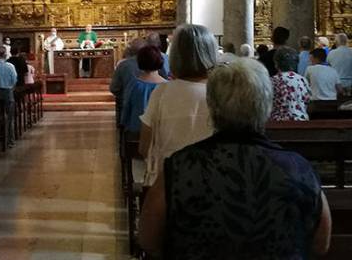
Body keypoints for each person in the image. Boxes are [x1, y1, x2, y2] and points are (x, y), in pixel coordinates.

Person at [139, 59, 331, 259]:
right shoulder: (297, 167)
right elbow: (321, 244)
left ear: (212, 105)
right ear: (267, 105)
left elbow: (148, 240)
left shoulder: (181, 166)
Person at [139, 24, 218, 187]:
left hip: (169, 181)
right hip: (213, 181)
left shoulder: (161, 93)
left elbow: (144, 146)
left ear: (175, 55)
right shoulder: (220, 93)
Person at [120, 45, 167, 133]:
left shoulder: (134, 84)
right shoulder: (167, 86)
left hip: (137, 128)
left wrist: (123, 123)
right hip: (162, 130)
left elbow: (126, 106)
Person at [270, 46, 311, 121]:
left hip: (279, 123)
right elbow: (307, 99)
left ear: (276, 63)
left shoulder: (273, 81)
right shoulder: (302, 79)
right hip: (302, 121)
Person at [109, 37, 147, 107]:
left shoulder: (123, 65)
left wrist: (125, 96)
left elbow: (114, 88)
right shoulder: (152, 62)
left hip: (125, 103)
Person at [0, 44, 18, 146]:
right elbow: (14, 80)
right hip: (8, 92)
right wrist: (11, 88)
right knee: (9, 118)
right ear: (5, 55)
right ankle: (10, 140)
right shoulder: (10, 66)